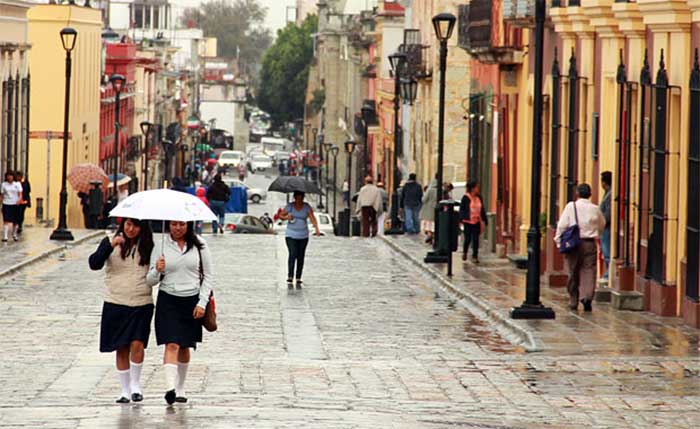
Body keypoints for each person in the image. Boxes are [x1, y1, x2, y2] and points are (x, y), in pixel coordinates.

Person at [147, 221, 215, 405]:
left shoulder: (200, 245)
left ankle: (180, 387)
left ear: (188, 225)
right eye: (174, 224)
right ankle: (170, 388)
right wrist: (157, 270)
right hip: (168, 300)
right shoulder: (161, 246)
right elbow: (150, 280)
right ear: (168, 225)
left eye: (182, 224)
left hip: (191, 301)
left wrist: (202, 302)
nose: (178, 228)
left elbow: (208, 275)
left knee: (185, 346)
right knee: (172, 344)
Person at [88, 218, 155, 403]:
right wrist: (109, 245)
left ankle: (135, 385)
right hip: (116, 301)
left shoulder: (150, 246)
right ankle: (124, 390)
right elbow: (94, 264)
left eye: (135, 225)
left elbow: (155, 274)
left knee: (137, 344)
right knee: (121, 346)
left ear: (142, 227)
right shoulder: (110, 241)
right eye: (128, 224)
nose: (131, 229)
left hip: (142, 302)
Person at [555, 183, 606, 312]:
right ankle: (587, 297)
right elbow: (602, 224)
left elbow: (562, 225)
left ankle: (573, 299)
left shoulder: (571, 207)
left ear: (577, 193)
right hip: (589, 243)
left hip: (573, 243)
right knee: (589, 270)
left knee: (573, 271)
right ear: (590, 194)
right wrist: (596, 234)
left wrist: (558, 241)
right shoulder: (595, 208)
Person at [279, 191, 321, 288]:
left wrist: (316, 228)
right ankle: (290, 275)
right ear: (295, 198)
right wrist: (286, 217)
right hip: (291, 234)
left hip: (303, 235)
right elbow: (281, 215)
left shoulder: (306, 207)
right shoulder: (290, 206)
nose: (299, 200)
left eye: (301, 198)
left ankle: (298, 277)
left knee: (300, 256)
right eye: (297, 198)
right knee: (293, 253)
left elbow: (312, 217)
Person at [459, 181, 488, 263]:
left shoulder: (479, 197)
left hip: (476, 220)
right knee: (467, 238)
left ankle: (475, 256)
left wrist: (484, 219)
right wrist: (461, 219)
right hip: (468, 221)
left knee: (476, 239)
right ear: (472, 188)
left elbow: (482, 209)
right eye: (476, 187)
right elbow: (462, 209)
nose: (478, 189)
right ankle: (465, 252)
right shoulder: (465, 197)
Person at [0, 171, 22, 242]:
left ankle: (14, 234)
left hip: (15, 203)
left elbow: (20, 193)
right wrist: (1, 202)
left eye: (11, 176)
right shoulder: (4, 184)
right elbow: (2, 195)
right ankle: (5, 236)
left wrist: (19, 200)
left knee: (15, 221)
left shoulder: (17, 184)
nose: (9, 177)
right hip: (6, 203)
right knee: (6, 220)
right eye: (8, 176)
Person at [600, 171, 612, 280]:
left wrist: (600, 220)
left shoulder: (609, 195)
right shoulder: (607, 193)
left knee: (607, 253)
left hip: (607, 228)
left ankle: (608, 276)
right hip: (604, 228)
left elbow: (608, 214)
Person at [420, 178, 438, 245]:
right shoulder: (440, 189)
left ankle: (430, 235)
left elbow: (424, 199)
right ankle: (432, 235)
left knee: (428, 223)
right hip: (436, 209)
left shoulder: (429, 190)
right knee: (434, 224)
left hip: (428, 209)